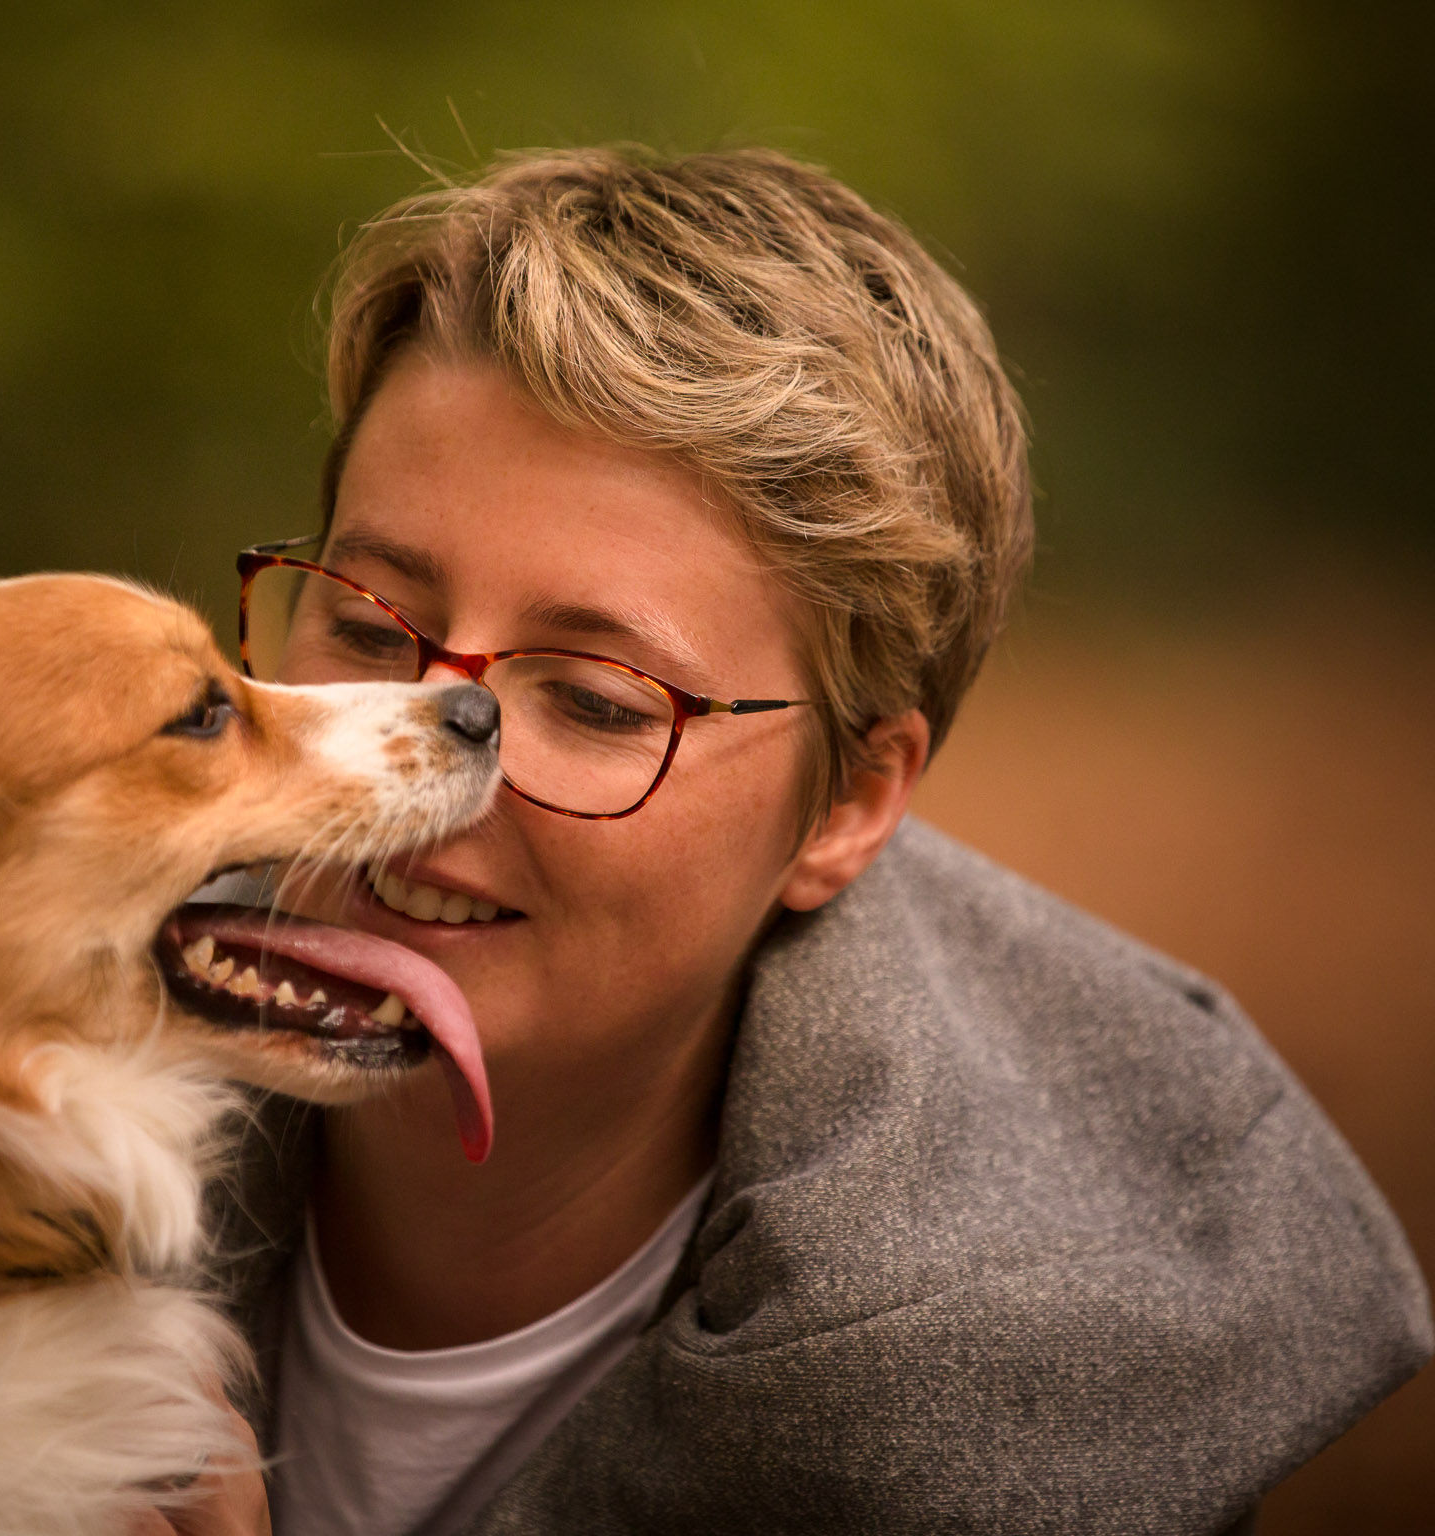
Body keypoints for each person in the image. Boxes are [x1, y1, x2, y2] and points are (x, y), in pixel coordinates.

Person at [170, 146, 1431, 1535]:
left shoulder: (999, 1418)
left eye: (596, 701)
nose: (418, 752)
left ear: (849, 807)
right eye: (361, 618)